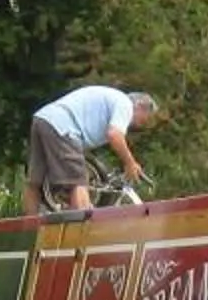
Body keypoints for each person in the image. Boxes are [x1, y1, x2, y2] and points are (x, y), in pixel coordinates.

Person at [28, 86, 158, 213]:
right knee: (78, 180)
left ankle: (29, 227)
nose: (141, 125)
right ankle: (83, 228)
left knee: (35, 181)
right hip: (64, 126)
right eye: (143, 120)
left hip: (43, 119)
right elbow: (114, 135)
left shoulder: (112, 99)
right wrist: (130, 163)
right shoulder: (125, 105)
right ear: (141, 108)